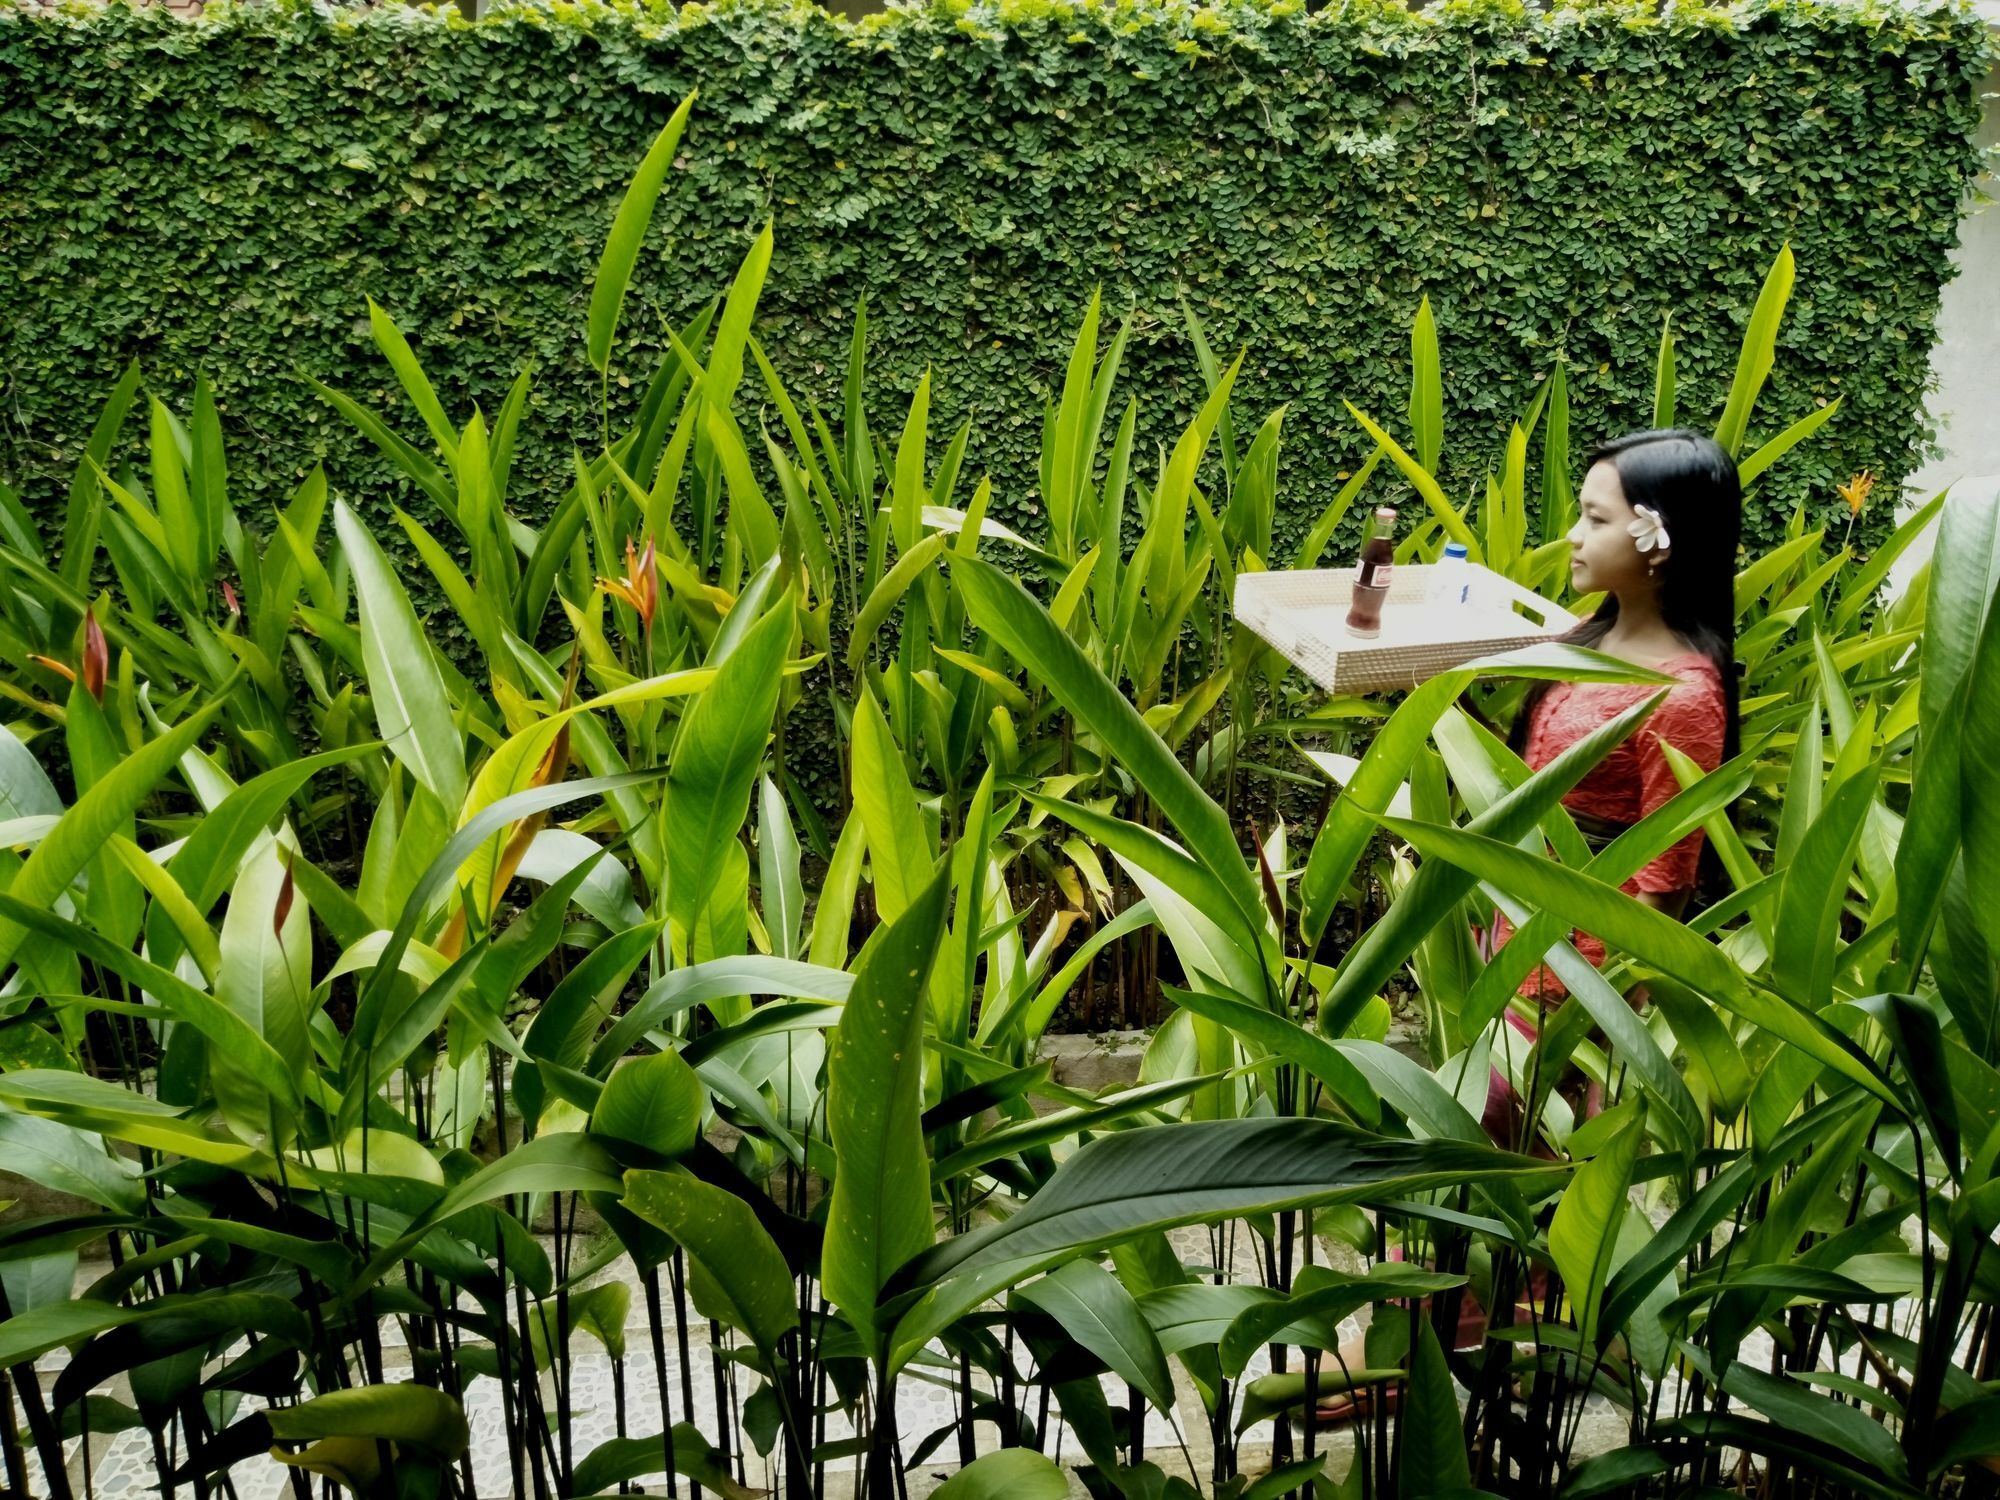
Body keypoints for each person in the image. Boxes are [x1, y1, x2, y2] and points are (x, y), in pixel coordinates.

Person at [1315, 428, 1742, 1424]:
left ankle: (1437, 1327)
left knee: (1486, 1128)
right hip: (1506, 933)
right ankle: (1472, 1308)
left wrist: (1605, 1003)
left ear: (1657, 540)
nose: (1568, 537)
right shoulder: (1579, 636)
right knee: (1480, 1127)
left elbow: (1662, 877)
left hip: (1575, 965)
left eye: (1592, 519)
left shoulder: (1681, 693)